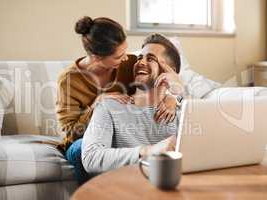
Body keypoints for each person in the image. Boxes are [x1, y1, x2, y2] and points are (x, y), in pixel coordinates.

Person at [56, 16, 180, 184]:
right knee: (82, 149)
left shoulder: (129, 63)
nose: (127, 59)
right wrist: (96, 104)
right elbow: (71, 131)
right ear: (97, 58)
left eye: (126, 52)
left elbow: (163, 77)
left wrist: (173, 96)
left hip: (120, 133)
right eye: (118, 56)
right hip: (82, 137)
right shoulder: (69, 81)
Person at [81, 33, 184, 173]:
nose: (140, 62)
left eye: (151, 59)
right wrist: (149, 151)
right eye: (140, 58)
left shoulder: (182, 109)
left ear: (170, 71)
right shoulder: (110, 106)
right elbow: (91, 158)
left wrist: (177, 88)